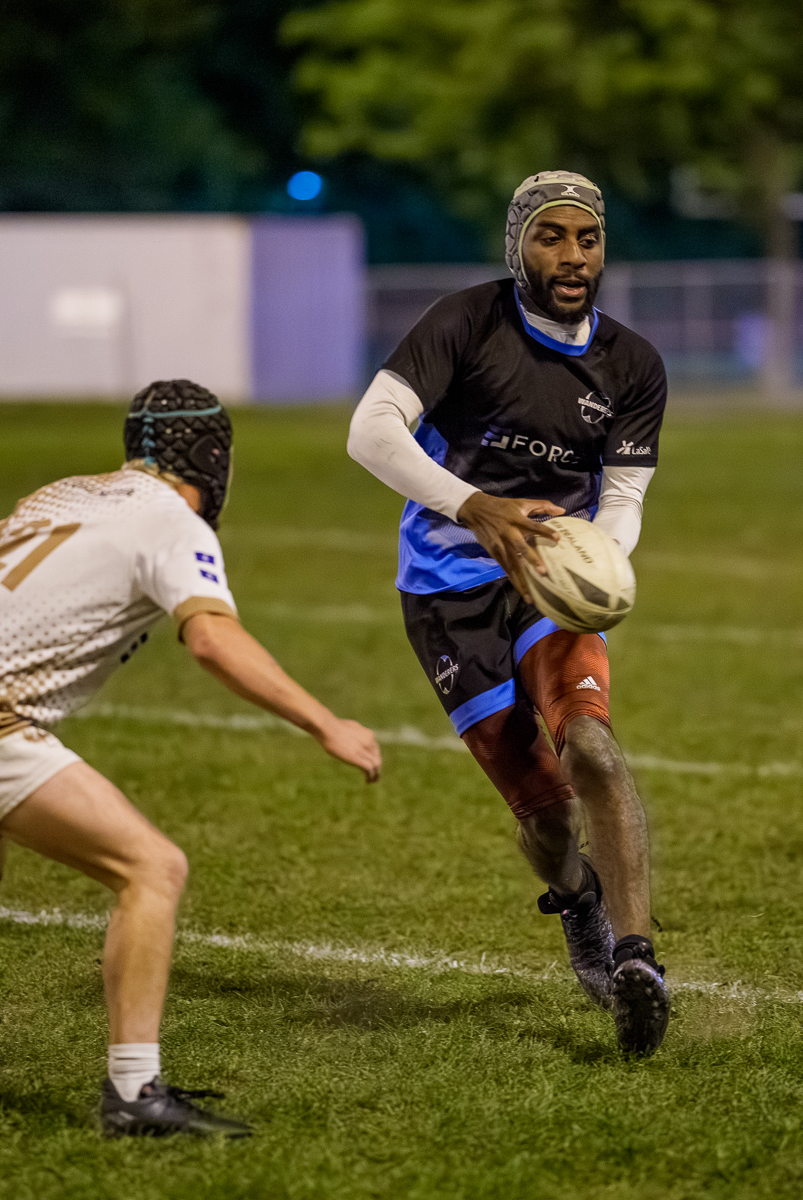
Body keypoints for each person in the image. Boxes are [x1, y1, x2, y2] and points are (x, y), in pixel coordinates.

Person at [0, 380, 382, 1137]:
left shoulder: (62, 492)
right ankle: (135, 1095)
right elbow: (210, 638)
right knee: (152, 869)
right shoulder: (174, 524)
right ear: (213, 459)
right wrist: (324, 722)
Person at [345, 171, 671, 1055]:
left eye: (588, 239)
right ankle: (577, 902)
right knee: (545, 816)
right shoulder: (464, 323)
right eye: (551, 237)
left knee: (593, 747)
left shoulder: (633, 365)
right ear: (518, 243)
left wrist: (592, 564)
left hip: (549, 590)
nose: (572, 256)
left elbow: (626, 495)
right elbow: (370, 432)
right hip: (447, 595)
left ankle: (639, 958)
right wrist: (471, 506)